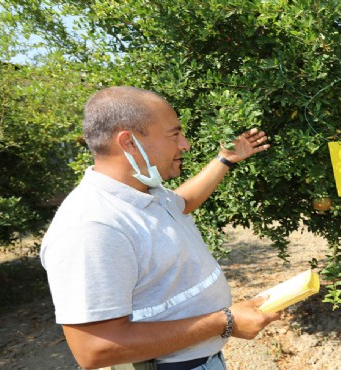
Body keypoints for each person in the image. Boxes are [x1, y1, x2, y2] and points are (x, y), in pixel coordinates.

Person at [40, 86, 281, 370]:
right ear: (129, 142)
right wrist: (224, 321)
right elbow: (94, 349)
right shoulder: (92, 227)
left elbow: (184, 201)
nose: (185, 144)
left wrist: (225, 159)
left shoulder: (144, 192)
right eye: (174, 134)